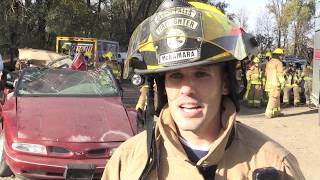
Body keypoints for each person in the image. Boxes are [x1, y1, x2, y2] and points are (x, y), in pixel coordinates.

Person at [102, 1, 304, 179]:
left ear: (225, 83)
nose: (187, 89)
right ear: (163, 87)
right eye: (176, 76)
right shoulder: (127, 163)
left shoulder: (275, 165)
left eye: (201, 74)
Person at [264, 48, 286, 118]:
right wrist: (283, 82)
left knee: (276, 98)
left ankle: (277, 112)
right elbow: (280, 73)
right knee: (273, 98)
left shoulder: (269, 62)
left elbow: (266, 73)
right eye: (281, 55)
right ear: (278, 55)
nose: (282, 57)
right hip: (275, 83)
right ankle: (268, 113)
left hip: (269, 83)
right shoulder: (278, 62)